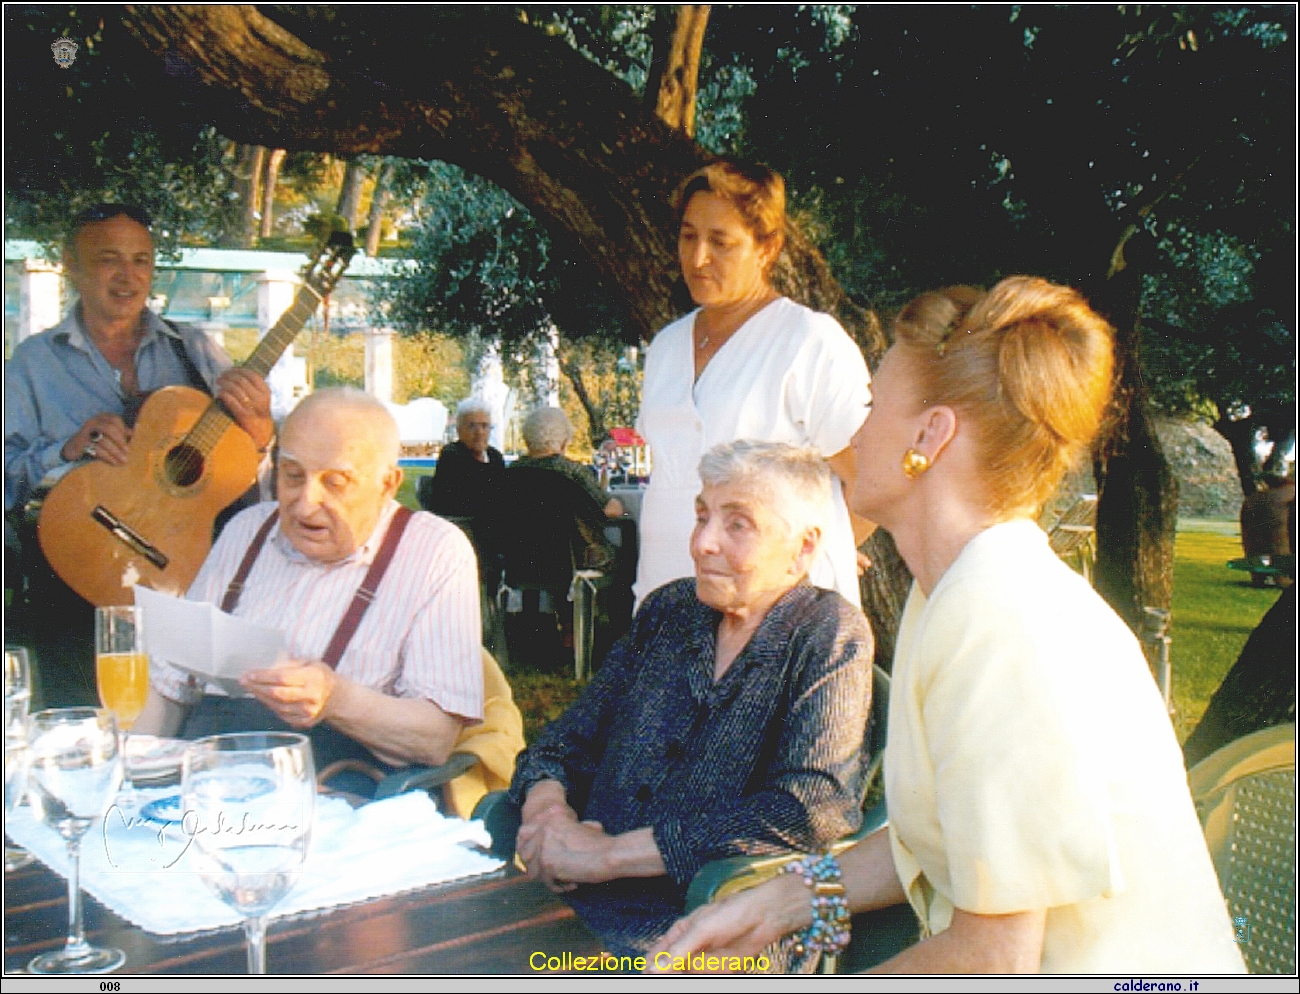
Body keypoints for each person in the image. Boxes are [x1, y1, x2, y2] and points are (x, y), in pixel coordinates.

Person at [651, 278, 1246, 973]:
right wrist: (783, 901)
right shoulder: (956, 591)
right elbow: (936, 841)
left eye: (872, 407)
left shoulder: (998, 619)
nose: (855, 432)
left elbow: (992, 961)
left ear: (929, 438)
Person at [508, 440, 872, 958]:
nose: (703, 542)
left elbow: (812, 806)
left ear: (805, 547)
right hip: (570, 895)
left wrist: (611, 856)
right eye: (702, 517)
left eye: (737, 524)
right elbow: (568, 737)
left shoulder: (827, 634)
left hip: (709, 925)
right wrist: (548, 818)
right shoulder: (671, 610)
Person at [136, 388, 484, 782]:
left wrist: (335, 698)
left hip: (332, 796)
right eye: (292, 475)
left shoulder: (433, 552)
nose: (304, 504)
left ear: (388, 484)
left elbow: (435, 738)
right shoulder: (245, 530)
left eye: (335, 482)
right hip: (203, 784)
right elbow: (169, 687)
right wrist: (123, 768)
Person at [4, 203, 273, 706]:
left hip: (184, 579)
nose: (128, 277)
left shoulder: (194, 352)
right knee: (84, 728)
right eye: (110, 259)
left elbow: (245, 485)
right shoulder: (32, 364)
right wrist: (64, 450)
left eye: (142, 261)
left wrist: (260, 435)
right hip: (74, 585)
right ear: (72, 266)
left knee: (190, 725)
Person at [635, 160, 874, 610]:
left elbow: (874, 481)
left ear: (768, 247)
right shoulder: (666, 348)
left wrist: (814, 552)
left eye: (721, 242)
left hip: (775, 618)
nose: (698, 258)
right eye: (689, 237)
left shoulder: (809, 342)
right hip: (667, 613)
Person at [514, 406, 624, 518]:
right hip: (564, 534)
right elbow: (608, 510)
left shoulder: (512, 472)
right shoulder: (572, 472)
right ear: (565, 442)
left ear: (527, 439)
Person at [417, 397, 505, 518]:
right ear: (459, 429)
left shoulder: (495, 456)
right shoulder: (452, 455)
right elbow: (457, 502)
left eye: (485, 426)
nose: (479, 432)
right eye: (472, 426)